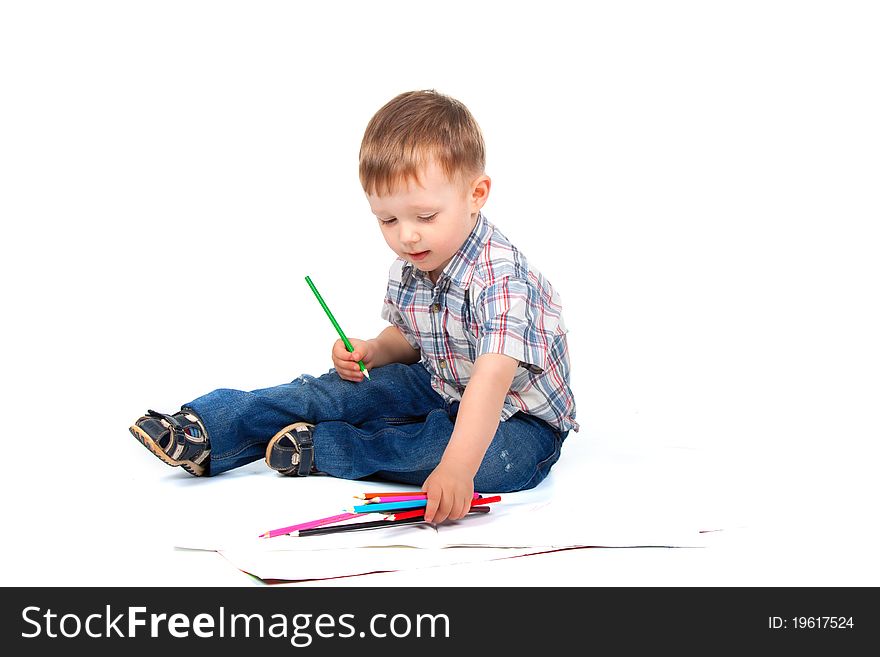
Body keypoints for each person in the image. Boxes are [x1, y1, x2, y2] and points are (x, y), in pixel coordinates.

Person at [129, 89, 578, 524]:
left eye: (425, 217)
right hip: (441, 383)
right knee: (336, 391)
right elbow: (410, 337)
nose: (407, 236)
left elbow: (490, 380)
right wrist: (374, 351)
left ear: (476, 194)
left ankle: (325, 447)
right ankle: (205, 429)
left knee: (466, 460)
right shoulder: (413, 264)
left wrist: (458, 467)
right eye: (388, 220)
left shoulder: (503, 279)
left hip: (520, 420)